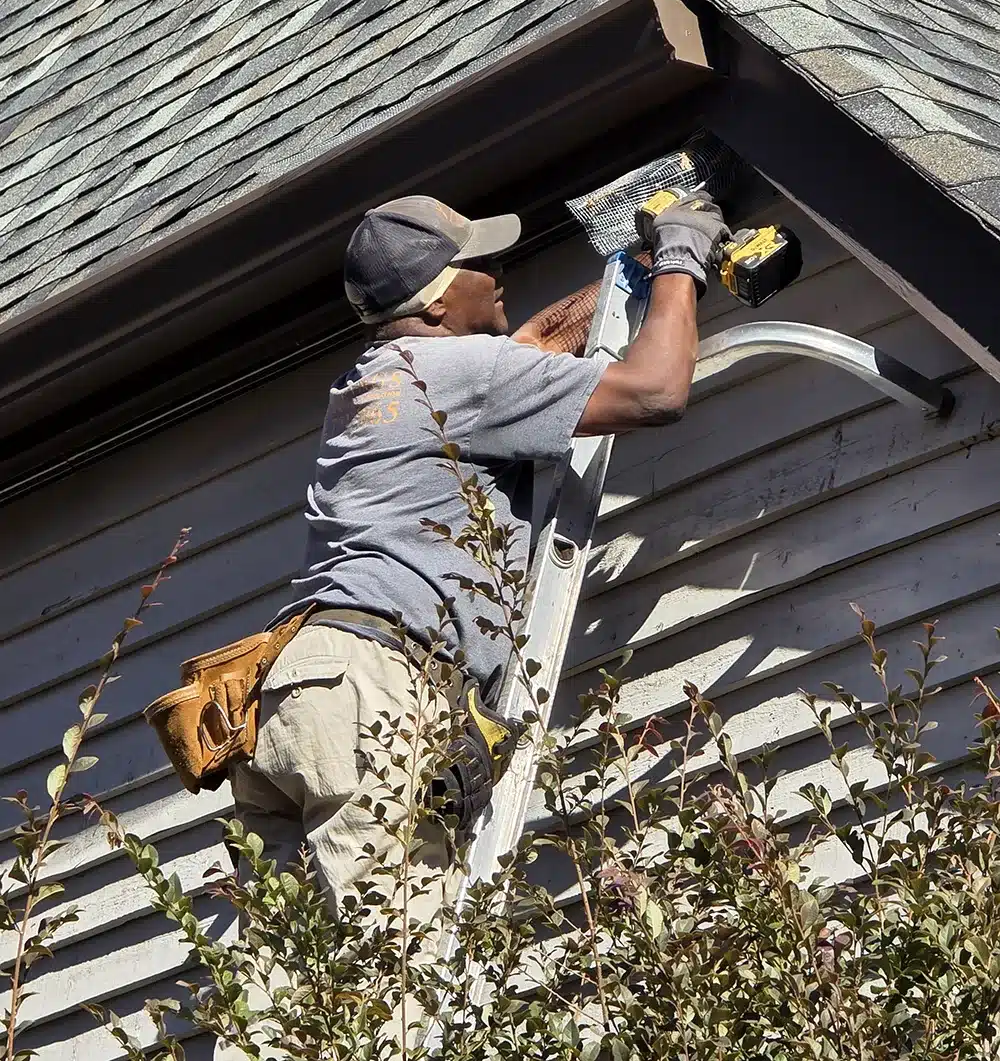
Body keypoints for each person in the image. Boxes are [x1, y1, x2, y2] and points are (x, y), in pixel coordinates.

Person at [228, 187, 726, 949]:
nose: (498, 268)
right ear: (434, 303)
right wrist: (686, 259)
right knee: (400, 980)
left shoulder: (380, 381)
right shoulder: (455, 374)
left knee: (297, 1000)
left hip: (293, 698)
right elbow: (657, 391)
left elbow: (536, 344)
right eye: (476, 262)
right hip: (379, 689)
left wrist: (640, 267)